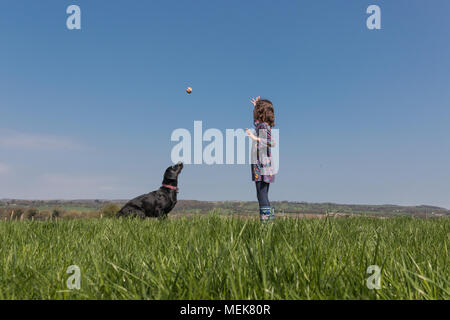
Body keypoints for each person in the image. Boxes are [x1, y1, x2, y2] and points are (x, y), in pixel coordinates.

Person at [246, 96, 276, 222]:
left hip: (262, 167)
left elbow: (271, 142)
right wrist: (255, 107)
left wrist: (255, 138)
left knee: (262, 194)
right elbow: (256, 122)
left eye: (257, 110)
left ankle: (266, 223)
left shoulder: (264, 126)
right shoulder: (262, 125)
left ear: (261, 113)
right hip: (260, 166)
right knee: (261, 194)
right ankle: (267, 221)